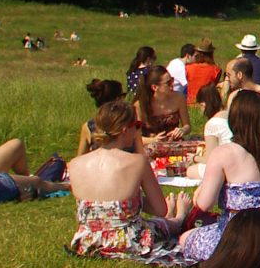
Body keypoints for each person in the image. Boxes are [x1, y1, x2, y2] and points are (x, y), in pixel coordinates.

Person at [67, 101, 190, 257]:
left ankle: (172, 217)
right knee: (162, 223)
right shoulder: (137, 162)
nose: (139, 130)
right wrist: (134, 199)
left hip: (88, 240)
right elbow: (159, 210)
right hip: (128, 240)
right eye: (138, 125)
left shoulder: (75, 164)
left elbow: (100, 200)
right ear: (125, 130)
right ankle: (179, 218)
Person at [180, 93, 260, 262]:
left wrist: (197, 196)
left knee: (185, 238)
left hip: (242, 238)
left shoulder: (224, 153)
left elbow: (205, 204)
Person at [134, 65, 188, 137]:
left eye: (172, 80)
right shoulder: (140, 105)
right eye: (168, 83)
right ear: (155, 87)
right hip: (150, 144)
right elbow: (136, 137)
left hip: (173, 142)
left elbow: (187, 125)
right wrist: (154, 140)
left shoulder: (179, 98)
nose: (172, 85)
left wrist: (183, 130)